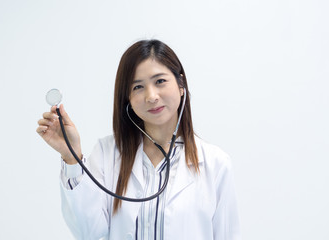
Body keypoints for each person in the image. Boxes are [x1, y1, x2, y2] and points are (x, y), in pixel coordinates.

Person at [36, 39, 241, 240]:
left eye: (160, 81)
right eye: (138, 87)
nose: (151, 96)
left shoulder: (216, 163)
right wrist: (72, 157)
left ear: (180, 85)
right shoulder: (107, 153)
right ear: (128, 99)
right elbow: (87, 232)